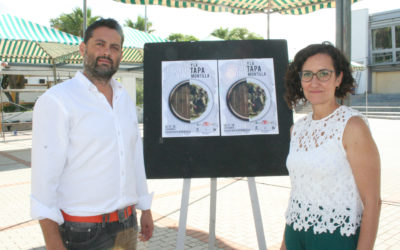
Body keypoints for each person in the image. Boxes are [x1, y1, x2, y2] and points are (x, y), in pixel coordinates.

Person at [30, 18, 154, 250]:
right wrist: (52, 242)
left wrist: (145, 208)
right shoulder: (57, 100)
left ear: (120, 54)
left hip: (127, 225)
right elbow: (43, 181)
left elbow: (134, 157)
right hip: (83, 233)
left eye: (114, 47)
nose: (107, 52)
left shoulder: (124, 98)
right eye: (99, 44)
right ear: (83, 48)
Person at [281, 42, 381, 250]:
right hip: (295, 234)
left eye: (323, 73)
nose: (314, 82)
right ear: (300, 81)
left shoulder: (352, 126)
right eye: (307, 74)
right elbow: (298, 193)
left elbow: (372, 202)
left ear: (338, 78)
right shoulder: (297, 129)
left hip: (335, 238)